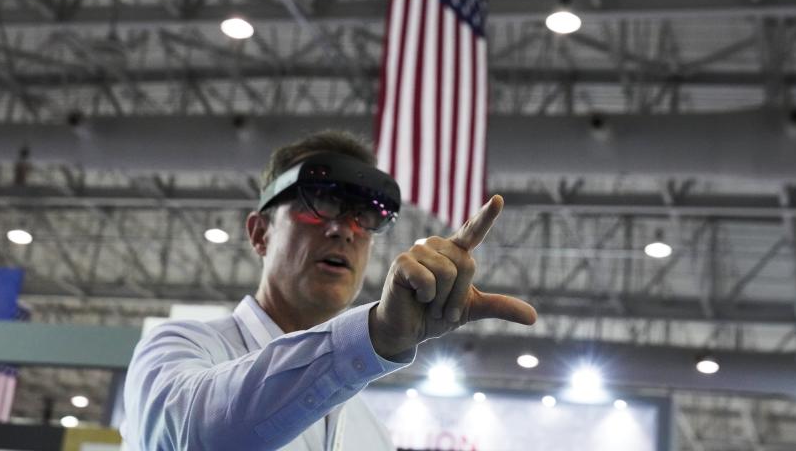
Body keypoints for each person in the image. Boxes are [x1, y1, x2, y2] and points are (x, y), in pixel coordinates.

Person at [121, 130, 536, 450]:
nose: (343, 229)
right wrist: (374, 336)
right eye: (317, 202)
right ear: (260, 233)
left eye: (365, 215)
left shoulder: (368, 432)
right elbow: (195, 434)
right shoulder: (179, 350)